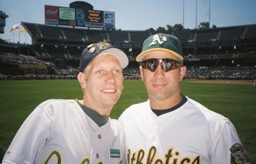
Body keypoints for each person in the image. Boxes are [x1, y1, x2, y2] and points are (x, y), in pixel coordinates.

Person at [118, 33, 250, 164]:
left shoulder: (217, 128)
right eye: (150, 64)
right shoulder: (127, 119)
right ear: (142, 73)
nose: (159, 73)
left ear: (181, 72)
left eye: (168, 64)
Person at [3, 42, 129, 164]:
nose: (111, 79)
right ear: (83, 80)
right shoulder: (51, 114)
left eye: (116, 71)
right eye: (100, 71)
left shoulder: (120, 134)